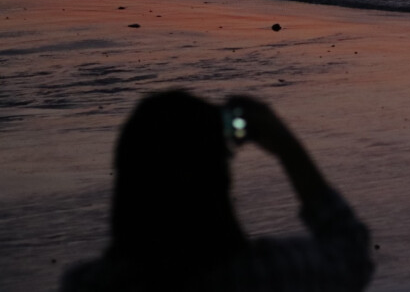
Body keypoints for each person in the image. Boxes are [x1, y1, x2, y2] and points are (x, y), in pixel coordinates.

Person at [61, 91, 374, 291]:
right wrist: (285, 146)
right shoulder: (265, 274)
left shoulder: (86, 284)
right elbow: (351, 254)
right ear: (219, 178)